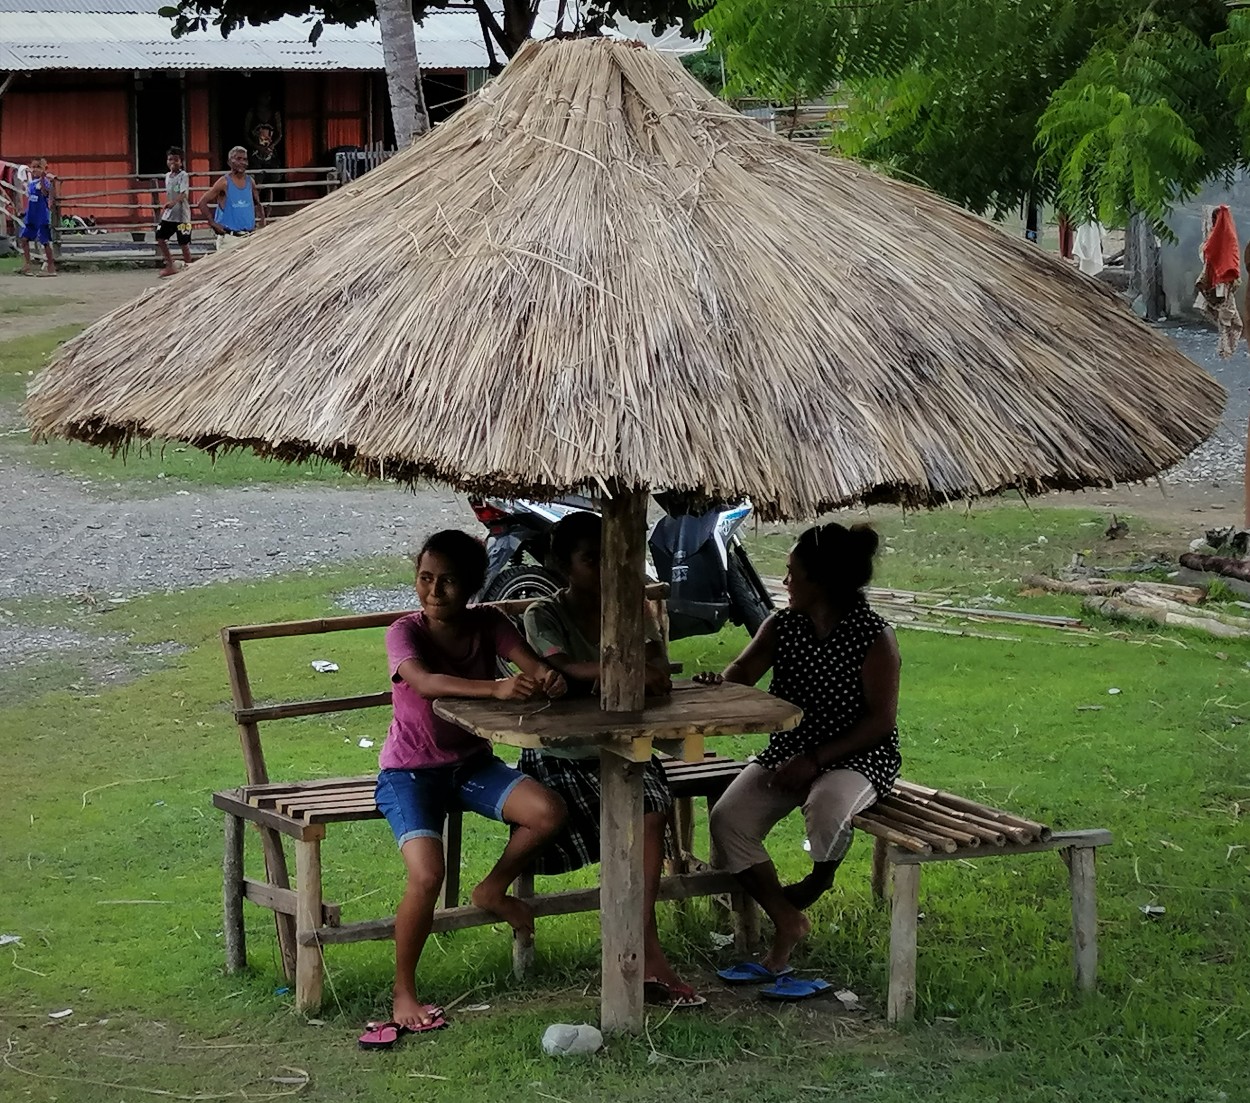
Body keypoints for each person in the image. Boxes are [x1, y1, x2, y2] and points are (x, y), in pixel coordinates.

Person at [372, 529, 568, 1038]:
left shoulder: (489, 623)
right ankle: (404, 991)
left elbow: (533, 664)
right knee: (426, 876)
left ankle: (491, 888)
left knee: (547, 812)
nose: (434, 592)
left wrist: (547, 678)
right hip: (408, 772)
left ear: (475, 586)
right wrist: (496, 687)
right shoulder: (405, 632)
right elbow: (426, 683)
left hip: (471, 765)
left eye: (449, 582)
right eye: (425, 578)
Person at [698, 522, 901, 982]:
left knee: (826, 804)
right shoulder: (782, 625)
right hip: (790, 748)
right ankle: (787, 917)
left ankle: (820, 876)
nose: (784, 582)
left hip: (859, 755)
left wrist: (815, 760)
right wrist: (719, 686)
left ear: (823, 580)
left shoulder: (875, 637)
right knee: (729, 821)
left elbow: (879, 723)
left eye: (793, 573)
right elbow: (742, 673)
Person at [519, 511, 704, 1009]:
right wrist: (626, 669)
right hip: (561, 756)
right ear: (562, 564)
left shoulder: (632, 607)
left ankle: (639, 946)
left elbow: (658, 667)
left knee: (650, 801)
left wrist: (642, 671)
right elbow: (561, 668)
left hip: (626, 749)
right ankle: (644, 949)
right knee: (645, 808)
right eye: (588, 559)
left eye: (610, 556)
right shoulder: (543, 614)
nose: (603, 568)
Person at [198, 146, 264, 250]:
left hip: (249, 237)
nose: (242, 162)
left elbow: (258, 203)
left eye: (245, 159)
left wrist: (262, 222)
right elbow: (202, 202)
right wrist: (213, 223)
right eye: (238, 159)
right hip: (229, 238)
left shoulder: (250, 181)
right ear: (229, 162)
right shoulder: (224, 182)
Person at [155, 146, 193, 277]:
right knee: (160, 238)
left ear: (181, 162)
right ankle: (170, 264)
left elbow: (183, 194)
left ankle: (189, 270)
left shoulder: (183, 176)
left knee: (184, 243)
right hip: (169, 215)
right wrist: (167, 206)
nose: (173, 162)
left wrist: (173, 202)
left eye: (176, 160)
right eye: (170, 159)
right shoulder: (167, 176)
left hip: (182, 216)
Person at [19, 158, 55, 277]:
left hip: (41, 216)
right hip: (31, 216)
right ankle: (27, 265)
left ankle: (50, 268)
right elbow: (30, 196)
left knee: (44, 241)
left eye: (38, 168)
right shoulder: (32, 183)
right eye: (33, 167)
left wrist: (44, 177)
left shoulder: (45, 182)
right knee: (24, 239)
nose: (35, 170)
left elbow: (45, 193)